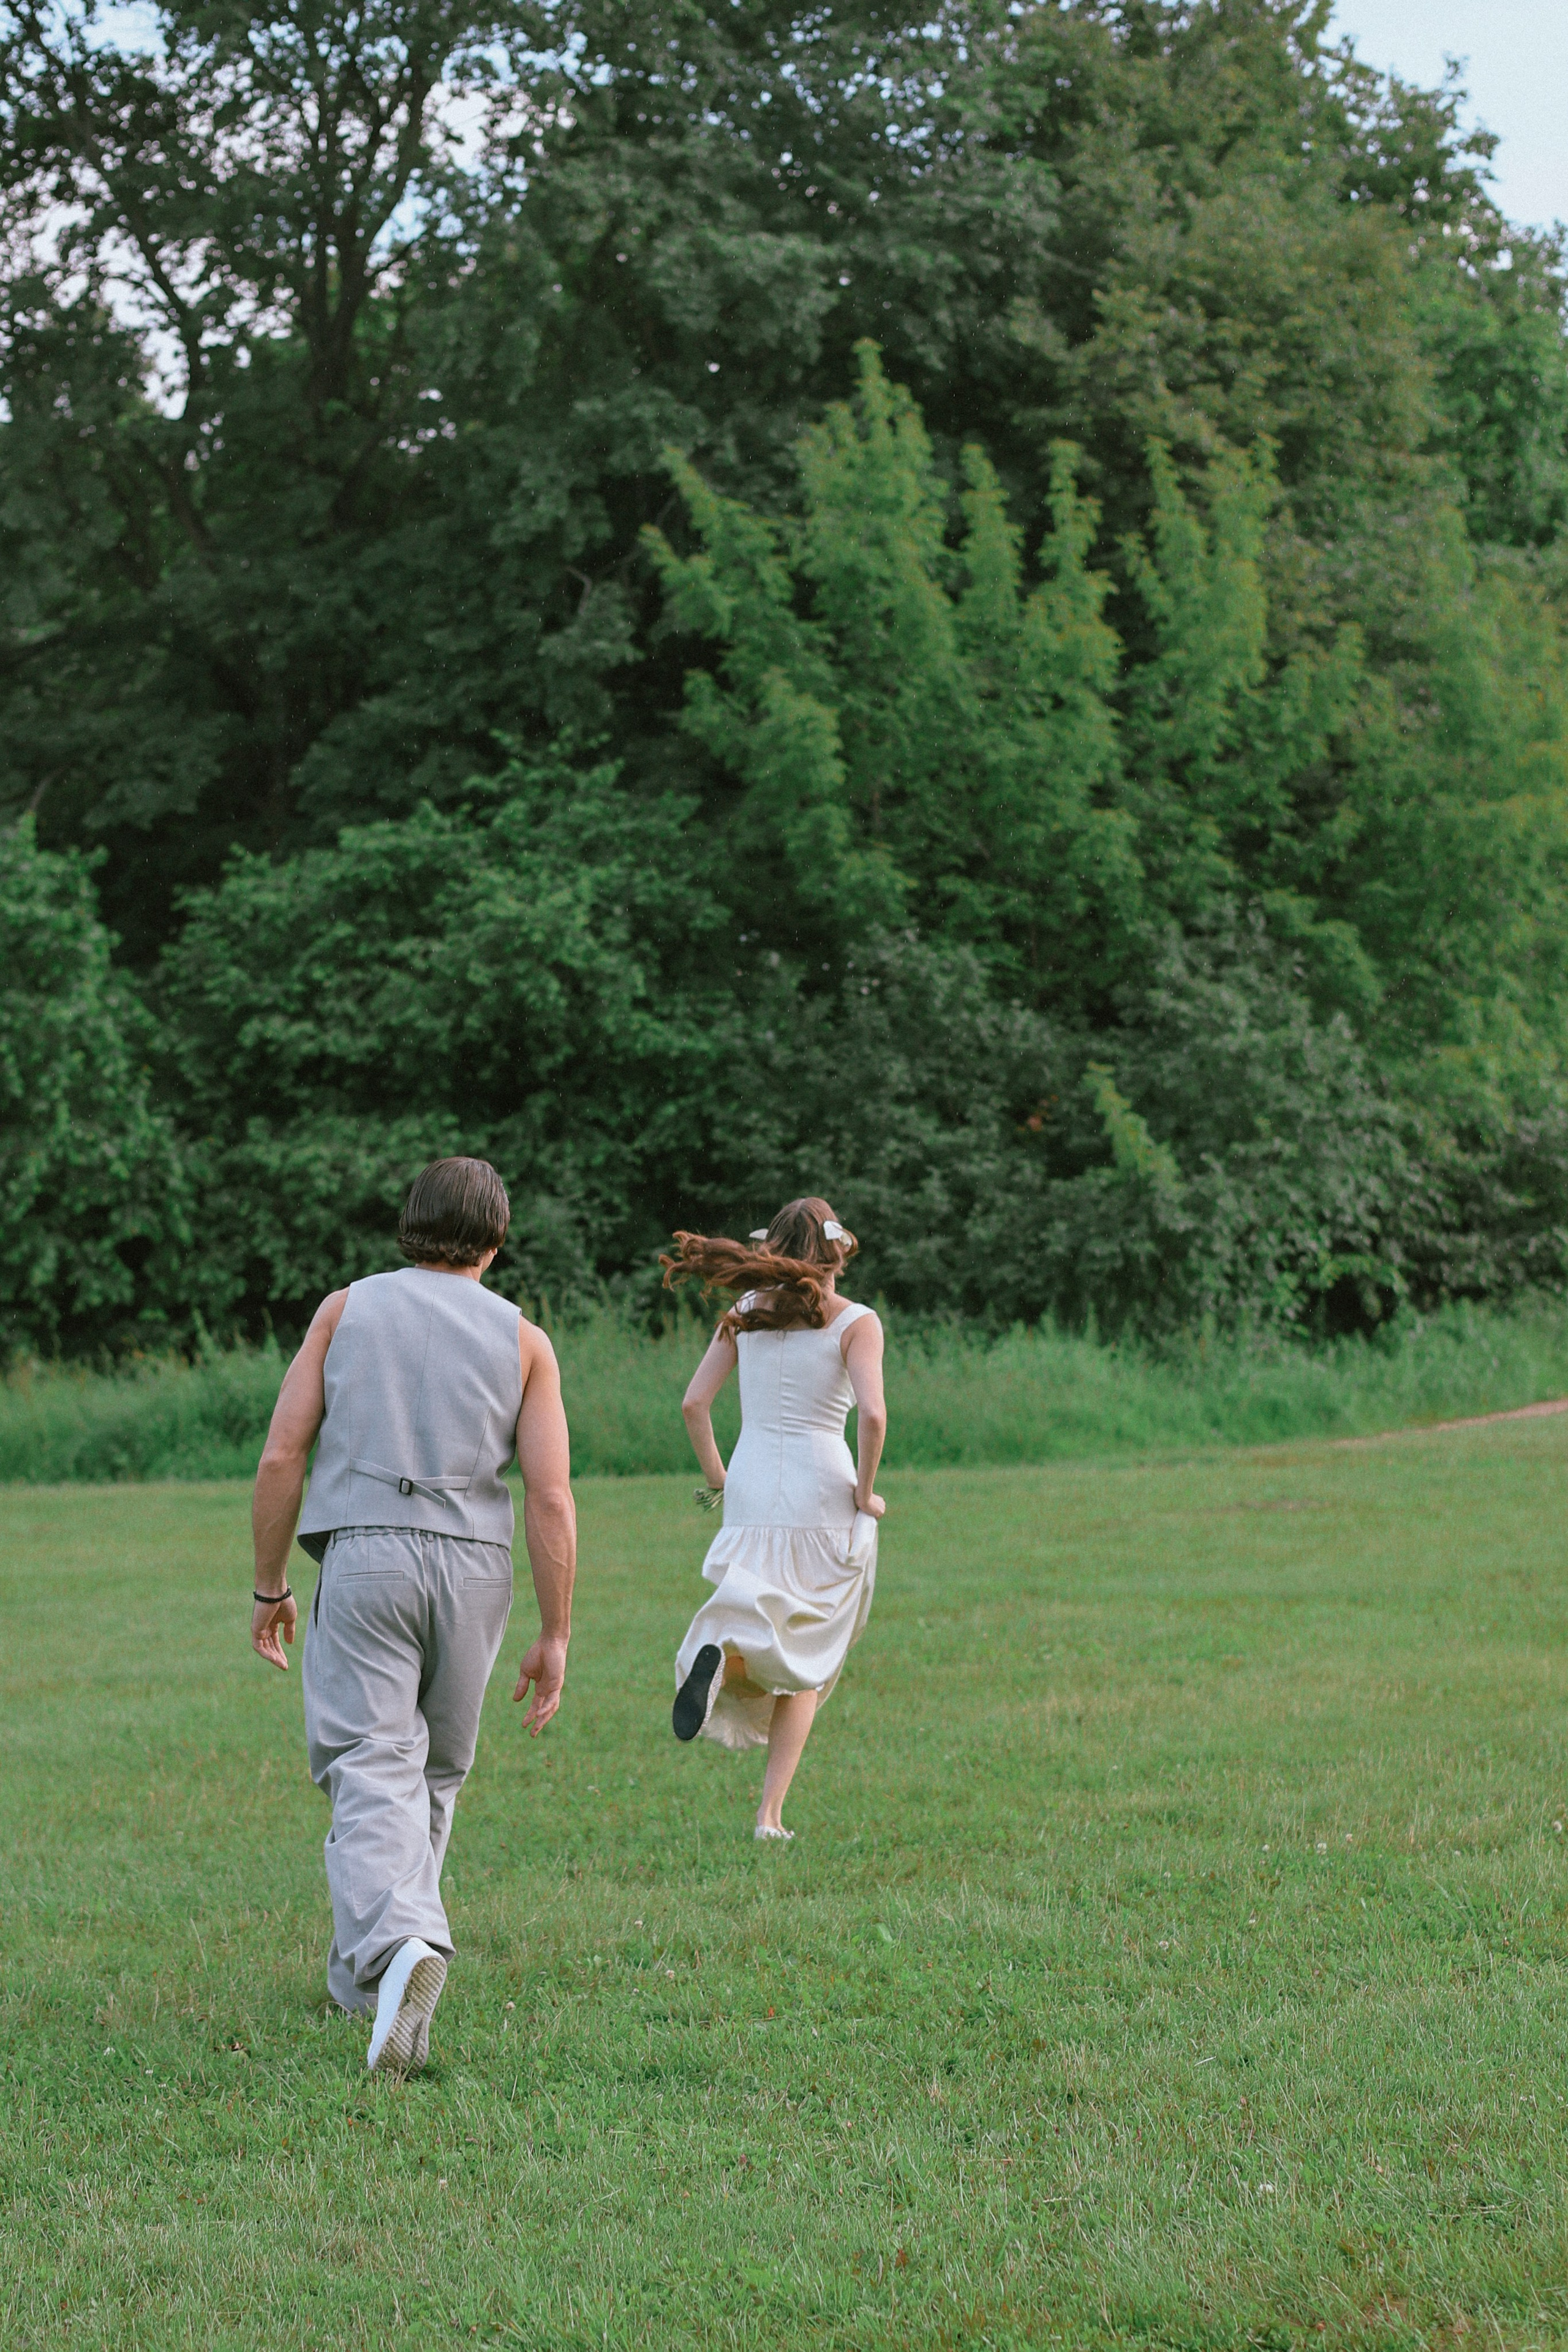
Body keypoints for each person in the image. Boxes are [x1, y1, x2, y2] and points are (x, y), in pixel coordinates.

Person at [248, 1157, 575, 2077]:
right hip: (475, 1567)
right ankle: (373, 1985)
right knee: (431, 1771)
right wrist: (555, 1634)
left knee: (366, 1762)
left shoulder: (345, 1310)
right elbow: (550, 1498)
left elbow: (283, 1457)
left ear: (409, 1226)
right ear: (498, 1240)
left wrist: (271, 1586)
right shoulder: (525, 1340)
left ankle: (400, 1947)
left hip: (367, 1553)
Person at [664, 1196, 886, 1841]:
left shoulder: (743, 1315)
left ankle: (718, 1654)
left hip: (753, 1489)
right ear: (839, 1252)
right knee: (807, 1658)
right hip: (824, 1494)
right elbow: (871, 1416)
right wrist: (866, 1493)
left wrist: (719, 1482)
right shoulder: (857, 1322)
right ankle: (768, 1817)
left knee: (769, 1629)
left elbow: (693, 1404)